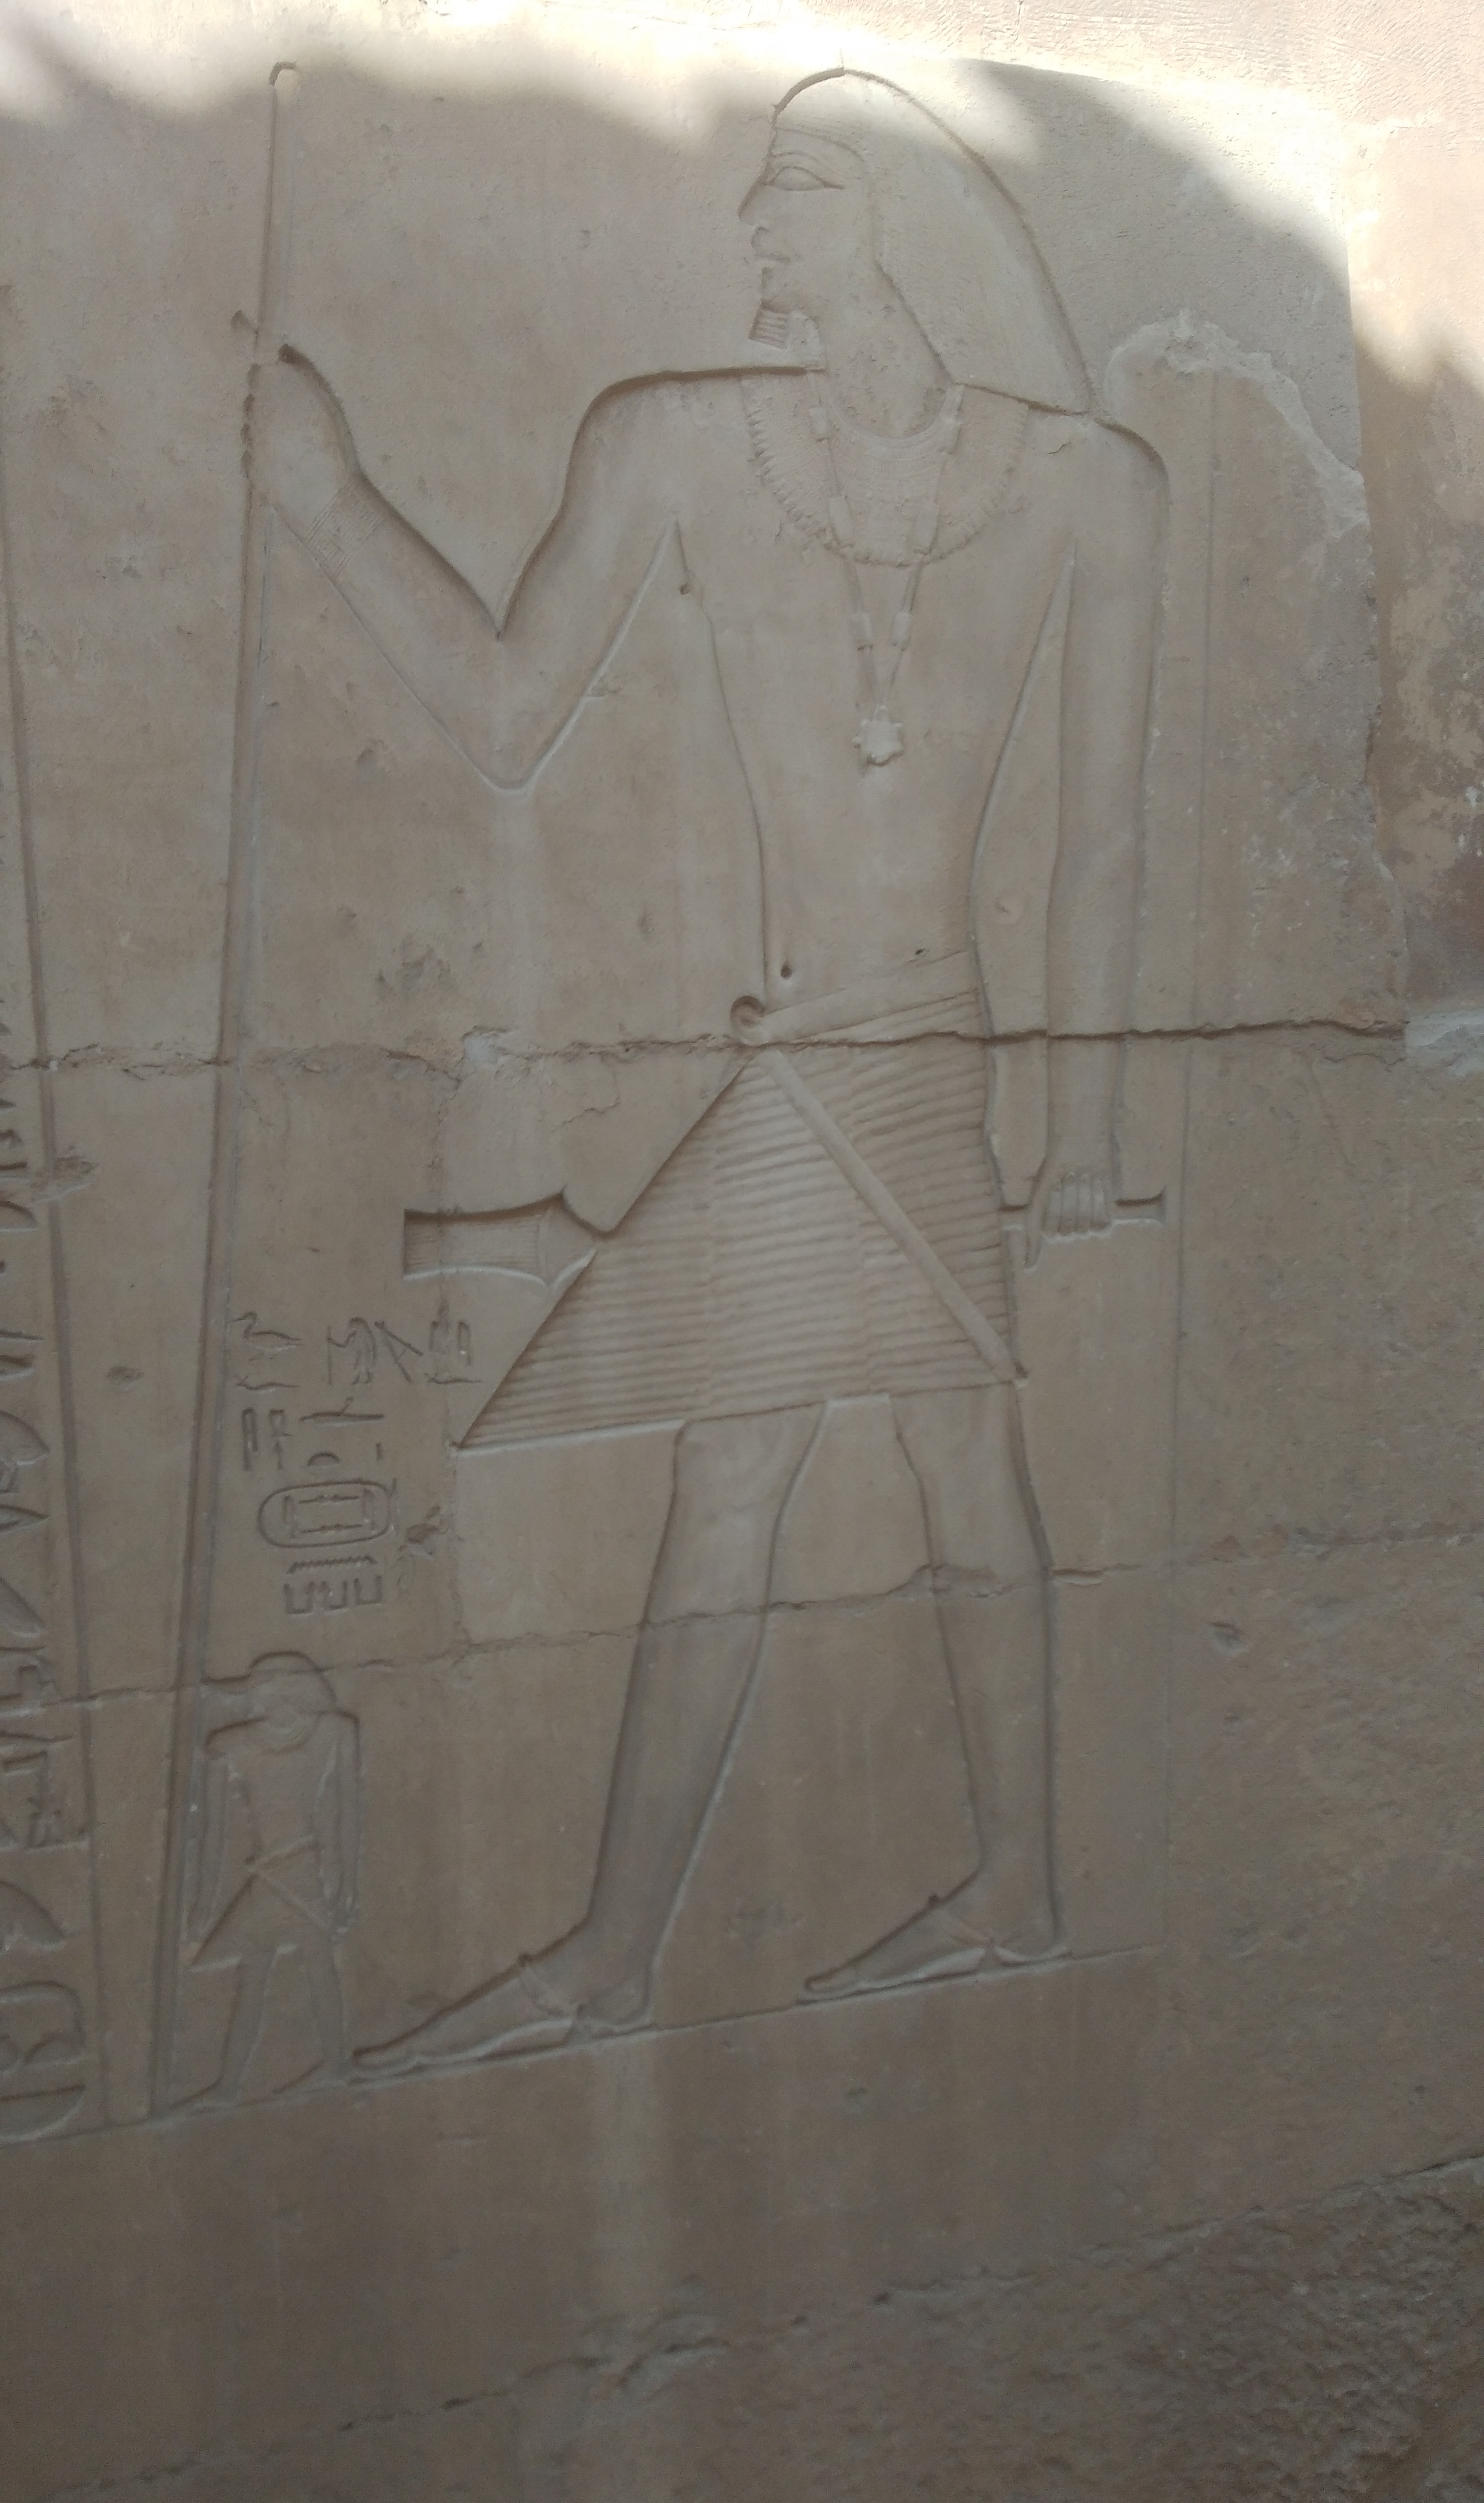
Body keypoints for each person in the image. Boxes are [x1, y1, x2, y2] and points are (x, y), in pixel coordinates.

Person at [247, 70, 1162, 2070]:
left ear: (903, 223)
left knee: (884, 1461)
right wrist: (326, 503)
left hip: (921, 1046)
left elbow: (1102, 841)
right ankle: (879, 1911)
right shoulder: (675, 442)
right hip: (801, 1058)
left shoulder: (1089, 482)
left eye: (795, 189)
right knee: (874, 1460)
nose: (752, 222)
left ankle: (724, 1940)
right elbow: (508, 715)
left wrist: (1088, 1120)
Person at [184, 1652, 360, 2099]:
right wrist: (203, 1905)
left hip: (297, 1874)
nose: (254, 1699)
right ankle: (232, 2086)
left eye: (261, 1689)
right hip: (273, 1878)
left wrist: (347, 1885)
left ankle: (331, 2067)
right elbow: (212, 1832)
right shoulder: (231, 1744)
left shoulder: (335, 1732)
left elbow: (347, 1815)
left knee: (305, 1970)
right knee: (263, 1975)